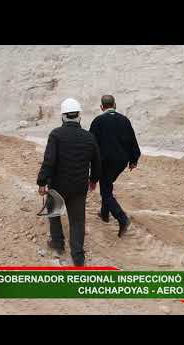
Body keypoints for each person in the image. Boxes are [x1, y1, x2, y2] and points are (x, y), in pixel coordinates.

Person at [37, 98, 101, 266]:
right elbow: (97, 162)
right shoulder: (89, 137)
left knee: (54, 213)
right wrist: (93, 180)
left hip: (57, 185)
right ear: (79, 116)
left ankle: (58, 245)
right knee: (77, 220)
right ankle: (78, 258)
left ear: (63, 117)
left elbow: (49, 161)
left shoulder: (56, 135)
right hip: (79, 186)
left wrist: (42, 182)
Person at [89, 95, 141, 237]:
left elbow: (91, 145)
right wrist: (133, 160)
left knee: (105, 192)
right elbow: (132, 141)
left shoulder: (98, 121)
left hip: (105, 162)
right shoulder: (125, 120)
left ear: (101, 107)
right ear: (115, 105)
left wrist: (91, 171)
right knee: (107, 184)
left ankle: (122, 219)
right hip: (121, 162)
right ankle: (105, 214)